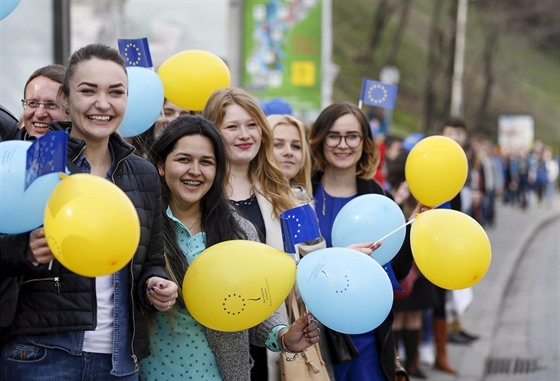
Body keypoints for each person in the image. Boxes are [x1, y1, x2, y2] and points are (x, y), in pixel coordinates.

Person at [0, 43, 178, 381]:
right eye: (88, 90)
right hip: (42, 353)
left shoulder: (141, 173)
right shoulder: (40, 157)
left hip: (120, 361)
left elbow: (151, 257)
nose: (102, 103)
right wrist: (25, 249)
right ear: (66, 99)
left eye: (116, 92)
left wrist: (157, 283)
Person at [139, 115, 321, 381]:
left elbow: (253, 305)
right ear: (161, 166)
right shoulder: (142, 224)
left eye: (207, 162)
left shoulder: (239, 231)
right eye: (183, 159)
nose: (195, 171)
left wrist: (283, 337)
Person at [308, 101, 414, 381]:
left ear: (365, 143)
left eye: (352, 136)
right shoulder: (300, 195)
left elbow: (397, 271)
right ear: (320, 140)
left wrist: (412, 228)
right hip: (311, 332)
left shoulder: (379, 199)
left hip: (365, 334)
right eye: (334, 135)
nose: (343, 144)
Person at [202, 87, 298, 381]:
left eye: (252, 125)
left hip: (270, 335)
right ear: (212, 133)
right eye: (232, 126)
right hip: (208, 341)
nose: (245, 134)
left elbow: (307, 259)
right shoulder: (197, 192)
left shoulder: (285, 195)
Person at [18, 64, 69, 139]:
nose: (39, 114)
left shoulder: (88, 150)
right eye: (33, 103)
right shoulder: (6, 149)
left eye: (51, 105)